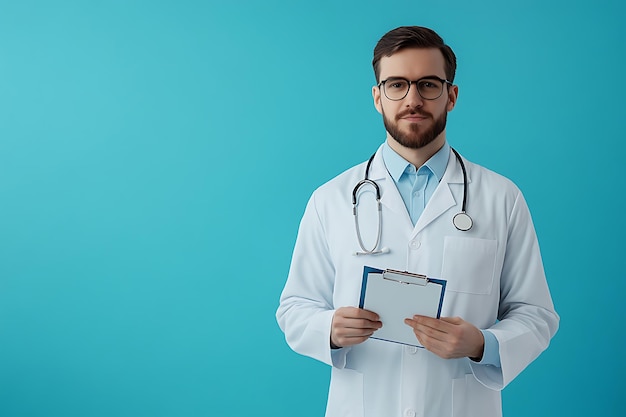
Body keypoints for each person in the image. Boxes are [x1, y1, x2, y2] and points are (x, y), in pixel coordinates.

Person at [276, 26, 559, 417]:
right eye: (396, 85)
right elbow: (295, 307)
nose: (412, 99)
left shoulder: (501, 198)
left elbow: (536, 313)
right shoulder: (331, 199)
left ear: (451, 96)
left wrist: (481, 344)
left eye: (428, 84)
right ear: (378, 97)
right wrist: (329, 330)